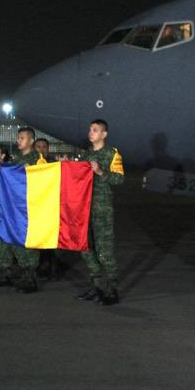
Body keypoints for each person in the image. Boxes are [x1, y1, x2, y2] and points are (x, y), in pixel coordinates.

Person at [76, 120, 125, 306]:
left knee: (104, 252)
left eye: (95, 130)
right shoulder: (85, 154)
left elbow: (119, 179)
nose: (91, 133)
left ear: (104, 135)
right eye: (90, 129)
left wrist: (100, 171)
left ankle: (112, 290)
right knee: (86, 248)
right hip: (84, 208)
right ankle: (97, 287)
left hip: (102, 209)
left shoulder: (112, 154)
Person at [0, 127, 43, 291]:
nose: (19, 141)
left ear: (31, 141)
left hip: (27, 208)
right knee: (9, 238)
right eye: (18, 138)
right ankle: (7, 272)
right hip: (13, 207)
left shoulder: (37, 160)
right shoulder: (16, 159)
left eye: (22, 138)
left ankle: (29, 278)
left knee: (26, 242)